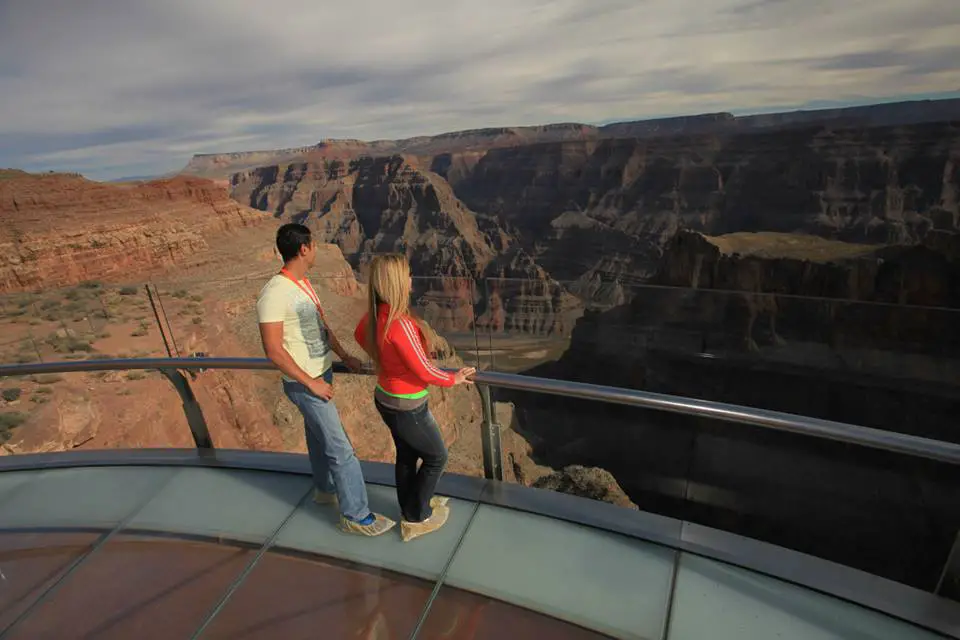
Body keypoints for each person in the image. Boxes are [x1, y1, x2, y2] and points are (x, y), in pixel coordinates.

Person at [257, 223, 395, 537]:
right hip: (306, 384)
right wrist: (310, 383)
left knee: (319, 440)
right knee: (341, 448)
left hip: (321, 373)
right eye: (315, 245)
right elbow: (273, 350)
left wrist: (344, 356)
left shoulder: (303, 284)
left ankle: (324, 490)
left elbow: (322, 327)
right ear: (303, 248)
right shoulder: (274, 293)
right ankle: (357, 516)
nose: (318, 250)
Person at [354, 254, 476, 542]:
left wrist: (385, 363)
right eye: (407, 275)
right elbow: (423, 368)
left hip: (385, 397)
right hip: (407, 405)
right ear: (397, 282)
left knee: (407, 456)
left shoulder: (376, 316)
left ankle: (410, 507)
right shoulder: (400, 324)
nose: (411, 280)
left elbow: (360, 335)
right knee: (437, 457)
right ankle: (417, 518)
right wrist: (454, 378)